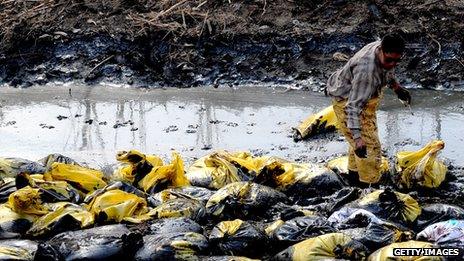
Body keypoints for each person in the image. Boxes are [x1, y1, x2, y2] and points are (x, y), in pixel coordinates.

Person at [326, 33, 411, 187]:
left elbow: (388, 70)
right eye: (389, 60)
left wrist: (397, 88)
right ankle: (369, 188)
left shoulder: (382, 49)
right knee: (370, 148)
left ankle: (354, 181)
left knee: (359, 148)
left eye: (397, 61)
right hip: (347, 101)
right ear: (381, 51)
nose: (392, 64)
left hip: (361, 99)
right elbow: (352, 107)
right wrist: (357, 137)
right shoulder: (367, 72)